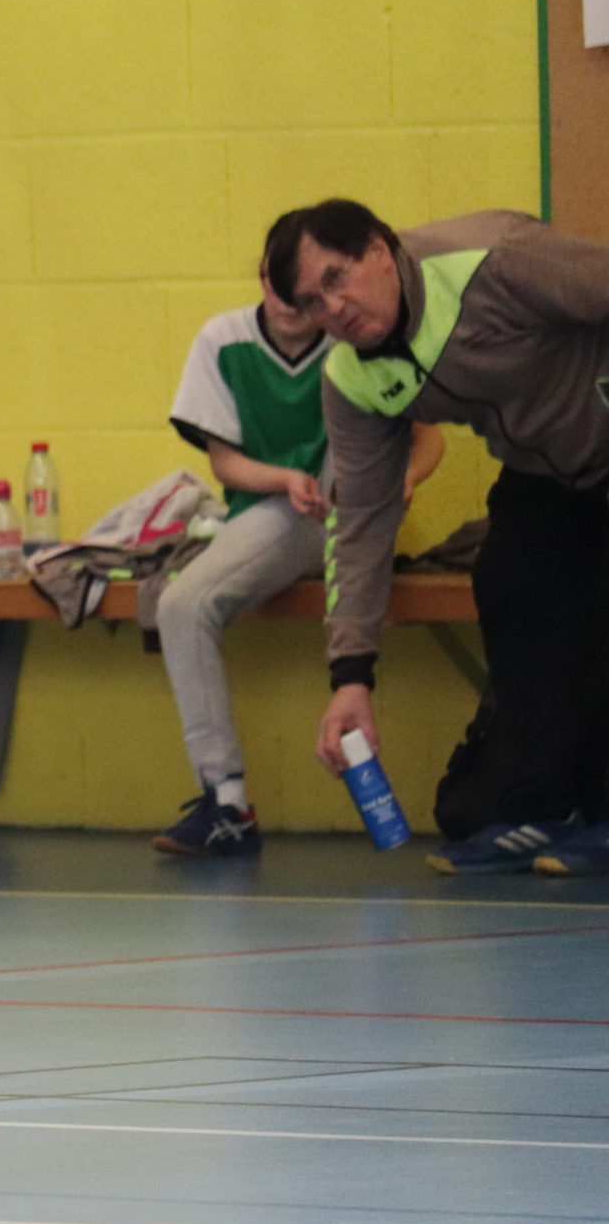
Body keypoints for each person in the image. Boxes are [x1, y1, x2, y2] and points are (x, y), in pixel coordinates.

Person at [278, 198, 609, 875]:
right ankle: (539, 807)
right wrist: (351, 674)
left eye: (337, 278)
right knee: (509, 579)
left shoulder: (496, 262)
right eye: (312, 302)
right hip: (545, 471)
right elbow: (361, 524)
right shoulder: (351, 376)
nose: (333, 309)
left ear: (379, 247)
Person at [153, 249, 443, 855]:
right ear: (262, 283)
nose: (290, 298)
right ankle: (225, 801)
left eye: (302, 288)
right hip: (278, 512)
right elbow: (222, 461)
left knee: (348, 464)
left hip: (351, 516)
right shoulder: (222, 340)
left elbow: (428, 439)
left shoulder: (353, 339)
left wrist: (402, 484)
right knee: (181, 604)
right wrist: (285, 481)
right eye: (276, 283)